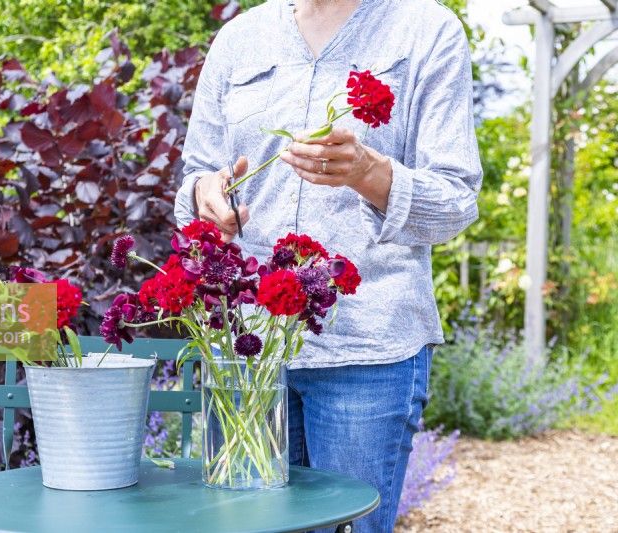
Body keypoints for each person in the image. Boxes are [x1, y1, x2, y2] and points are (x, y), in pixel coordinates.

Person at [174, 0, 482, 531]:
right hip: (248, 350)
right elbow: (198, 174)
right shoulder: (240, 39)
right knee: (241, 522)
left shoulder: (425, 31)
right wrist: (206, 197)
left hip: (365, 349)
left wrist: (371, 173)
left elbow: (456, 201)